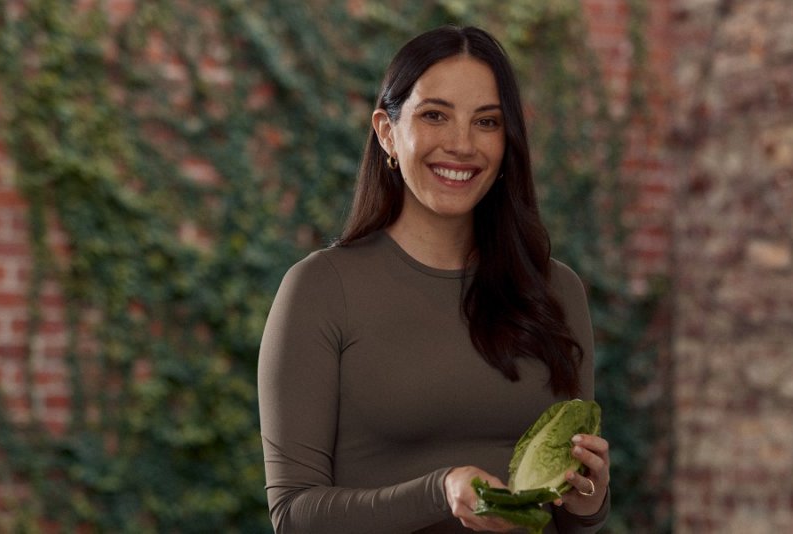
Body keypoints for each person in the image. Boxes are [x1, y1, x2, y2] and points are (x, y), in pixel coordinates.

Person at [258, 25, 610, 533]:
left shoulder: (556, 291)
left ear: (506, 141)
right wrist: (438, 492)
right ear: (386, 132)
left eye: (486, 122)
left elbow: (572, 518)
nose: (461, 144)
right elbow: (293, 515)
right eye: (435, 115)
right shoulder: (320, 289)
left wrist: (587, 502)